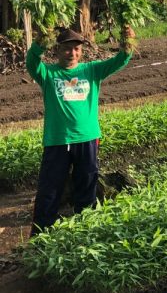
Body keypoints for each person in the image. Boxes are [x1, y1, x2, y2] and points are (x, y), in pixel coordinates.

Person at [27, 27, 135, 236]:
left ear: (81, 51)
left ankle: (85, 231)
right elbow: (31, 63)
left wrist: (128, 42)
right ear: (57, 50)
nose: (72, 53)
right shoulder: (48, 73)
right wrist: (40, 42)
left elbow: (120, 60)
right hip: (57, 141)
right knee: (49, 190)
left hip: (87, 138)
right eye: (67, 49)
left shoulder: (92, 70)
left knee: (86, 187)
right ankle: (41, 236)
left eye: (76, 49)